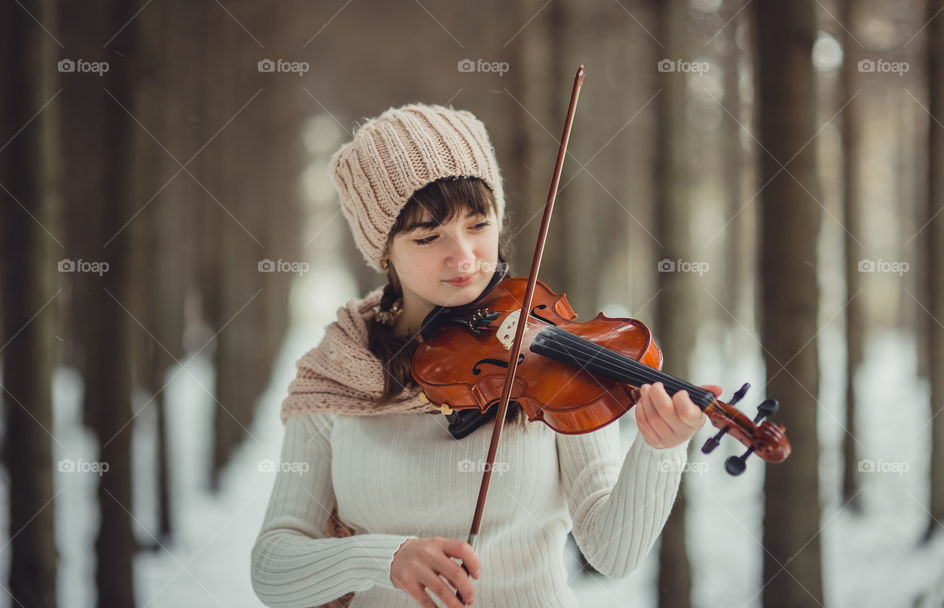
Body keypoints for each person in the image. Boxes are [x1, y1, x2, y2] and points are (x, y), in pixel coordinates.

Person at [250, 103, 715, 608]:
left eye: (479, 224)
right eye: (429, 237)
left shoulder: (550, 354)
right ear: (383, 251)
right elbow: (273, 566)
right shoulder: (339, 372)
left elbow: (612, 554)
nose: (465, 257)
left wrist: (660, 450)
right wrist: (385, 558)